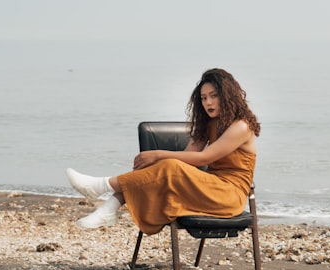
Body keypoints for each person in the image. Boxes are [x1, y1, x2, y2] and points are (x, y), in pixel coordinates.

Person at [66, 68, 261, 232]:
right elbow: (188, 156)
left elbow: (203, 158)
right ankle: (108, 208)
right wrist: (158, 161)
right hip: (209, 188)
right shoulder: (209, 123)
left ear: (227, 96)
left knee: (167, 164)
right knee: (165, 166)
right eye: (203, 98)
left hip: (229, 196)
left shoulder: (241, 126)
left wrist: (158, 154)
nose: (208, 102)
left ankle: (103, 186)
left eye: (214, 96)